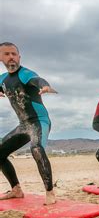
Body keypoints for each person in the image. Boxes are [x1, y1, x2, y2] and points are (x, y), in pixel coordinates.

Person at [0, 42, 57, 205]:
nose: (11, 57)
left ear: (19, 57)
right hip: (23, 125)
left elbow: (37, 80)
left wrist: (45, 86)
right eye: (6, 54)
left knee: (37, 149)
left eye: (14, 53)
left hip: (39, 122)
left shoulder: (25, 73)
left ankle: (50, 193)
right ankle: (16, 189)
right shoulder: (3, 79)